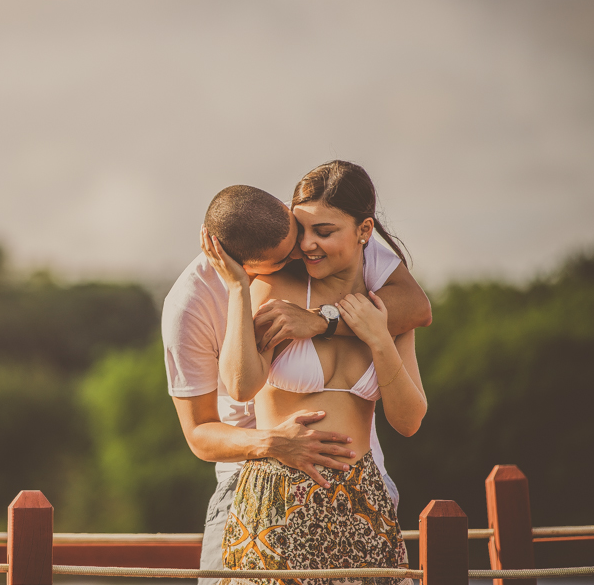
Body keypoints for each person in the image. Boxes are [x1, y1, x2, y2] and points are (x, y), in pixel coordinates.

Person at [163, 182, 432, 585]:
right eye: (290, 250)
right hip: (263, 479)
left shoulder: (351, 255)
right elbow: (213, 416)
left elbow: (417, 310)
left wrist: (336, 323)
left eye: (309, 232)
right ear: (249, 265)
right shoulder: (199, 302)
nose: (304, 250)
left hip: (364, 488)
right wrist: (273, 443)